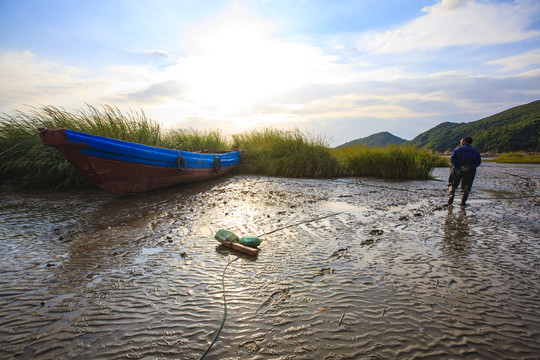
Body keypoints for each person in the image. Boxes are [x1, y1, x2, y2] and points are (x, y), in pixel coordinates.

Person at [447, 137, 481, 206]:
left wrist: (460, 166)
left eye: (461, 141)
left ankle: (451, 195)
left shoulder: (457, 150)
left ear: (464, 142)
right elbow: (478, 163)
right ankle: (463, 202)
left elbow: (452, 160)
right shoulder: (475, 152)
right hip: (470, 171)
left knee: (452, 183)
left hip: (457, 170)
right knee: (466, 186)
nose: (460, 143)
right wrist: (469, 167)